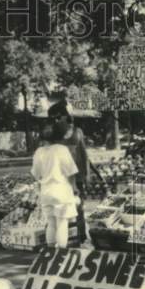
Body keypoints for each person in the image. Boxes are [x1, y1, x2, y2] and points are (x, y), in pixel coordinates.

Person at [31, 115, 80, 248]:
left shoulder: (39, 152)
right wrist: (75, 188)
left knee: (51, 223)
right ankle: (61, 254)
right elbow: (71, 172)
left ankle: (50, 252)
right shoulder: (61, 150)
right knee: (62, 223)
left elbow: (35, 174)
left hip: (46, 192)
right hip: (61, 191)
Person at [48, 100, 90, 242]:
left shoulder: (77, 133)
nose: (57, 120)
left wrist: (86, 175)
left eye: (59, 117)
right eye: (55, 118)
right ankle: (63, 237)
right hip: (59, 177)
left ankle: (81, 235)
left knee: (78, 206)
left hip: (76, 176)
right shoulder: (53, 135)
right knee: (61, 208)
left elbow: (84, 155)